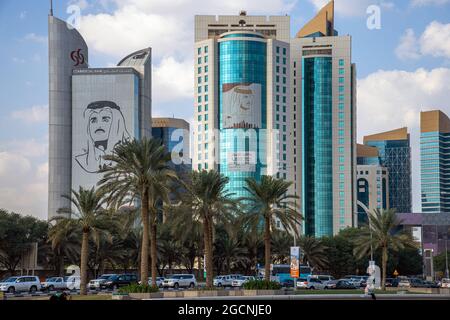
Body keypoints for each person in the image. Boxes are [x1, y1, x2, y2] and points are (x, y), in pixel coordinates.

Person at [75, 100, 130, 173]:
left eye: (105, 119)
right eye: (93, 120)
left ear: (117, 124)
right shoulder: (80, 160)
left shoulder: (126, 160)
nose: (99, 125)